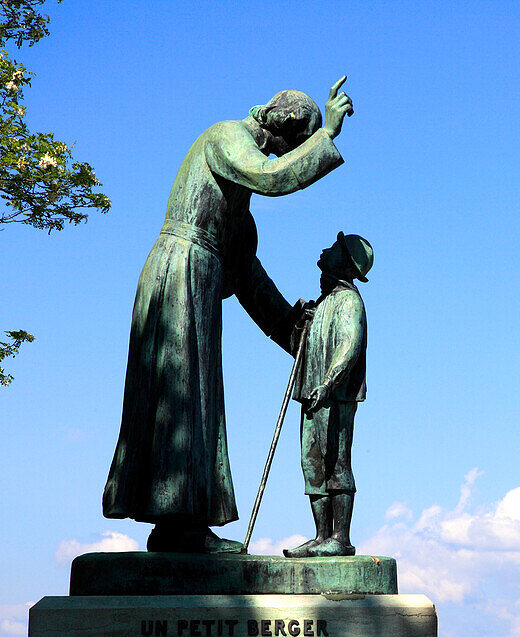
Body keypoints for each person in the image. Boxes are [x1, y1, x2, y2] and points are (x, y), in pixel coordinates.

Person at [103, 79, 354, 553]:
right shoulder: (226, 138)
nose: (288, 157)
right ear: (280, 128)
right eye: (294, 146)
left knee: (195, 398)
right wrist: (327, 138)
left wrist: (293, 330)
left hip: (197, 274)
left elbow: (248, 277)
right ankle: (180, 528)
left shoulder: (237, 204)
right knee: (181, 396)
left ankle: (183, 525)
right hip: (180, 269)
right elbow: (270, 176)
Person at [284, 232, 372, 558]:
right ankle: (321, 536)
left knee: (337, 462)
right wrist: (301, 323)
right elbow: (300, 349)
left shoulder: (350, 301)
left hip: (334, 395)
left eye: (334, 247)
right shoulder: (322, 302)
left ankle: (341, 538)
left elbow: (349, 346)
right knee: (312, 466)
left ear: (345, 262)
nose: (325, 248)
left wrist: (329, 384)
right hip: (311, 396)